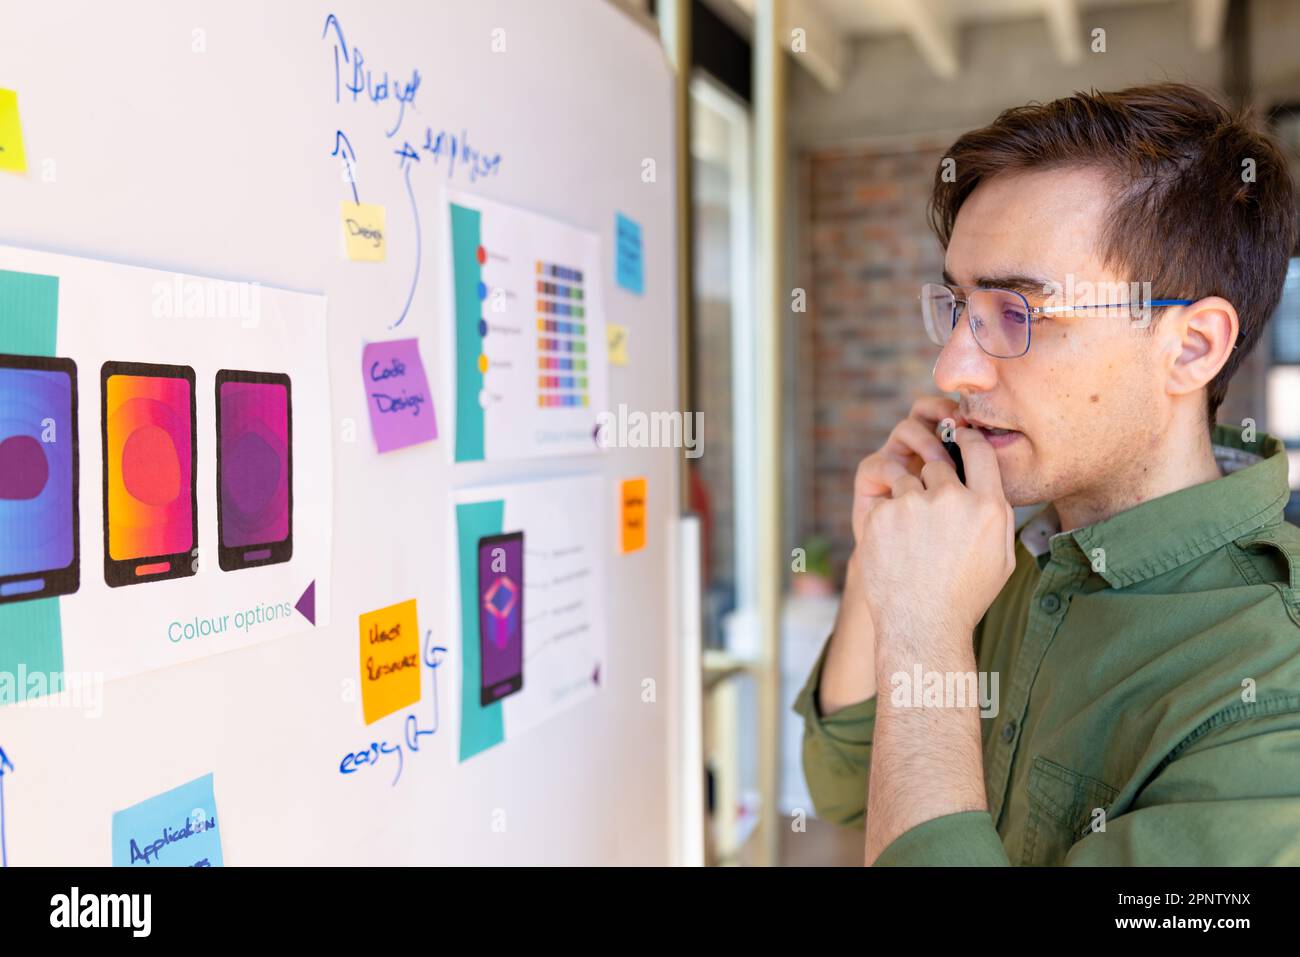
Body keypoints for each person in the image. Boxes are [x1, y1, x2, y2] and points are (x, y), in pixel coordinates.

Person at [793, 83, 1300, 865]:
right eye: (960, 306)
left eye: (1019, 312)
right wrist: (883, 564)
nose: (953, 365)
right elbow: (847, 786)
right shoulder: (997, 535)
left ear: (1193, 346)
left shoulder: (1275, 692)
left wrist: (928, 635)